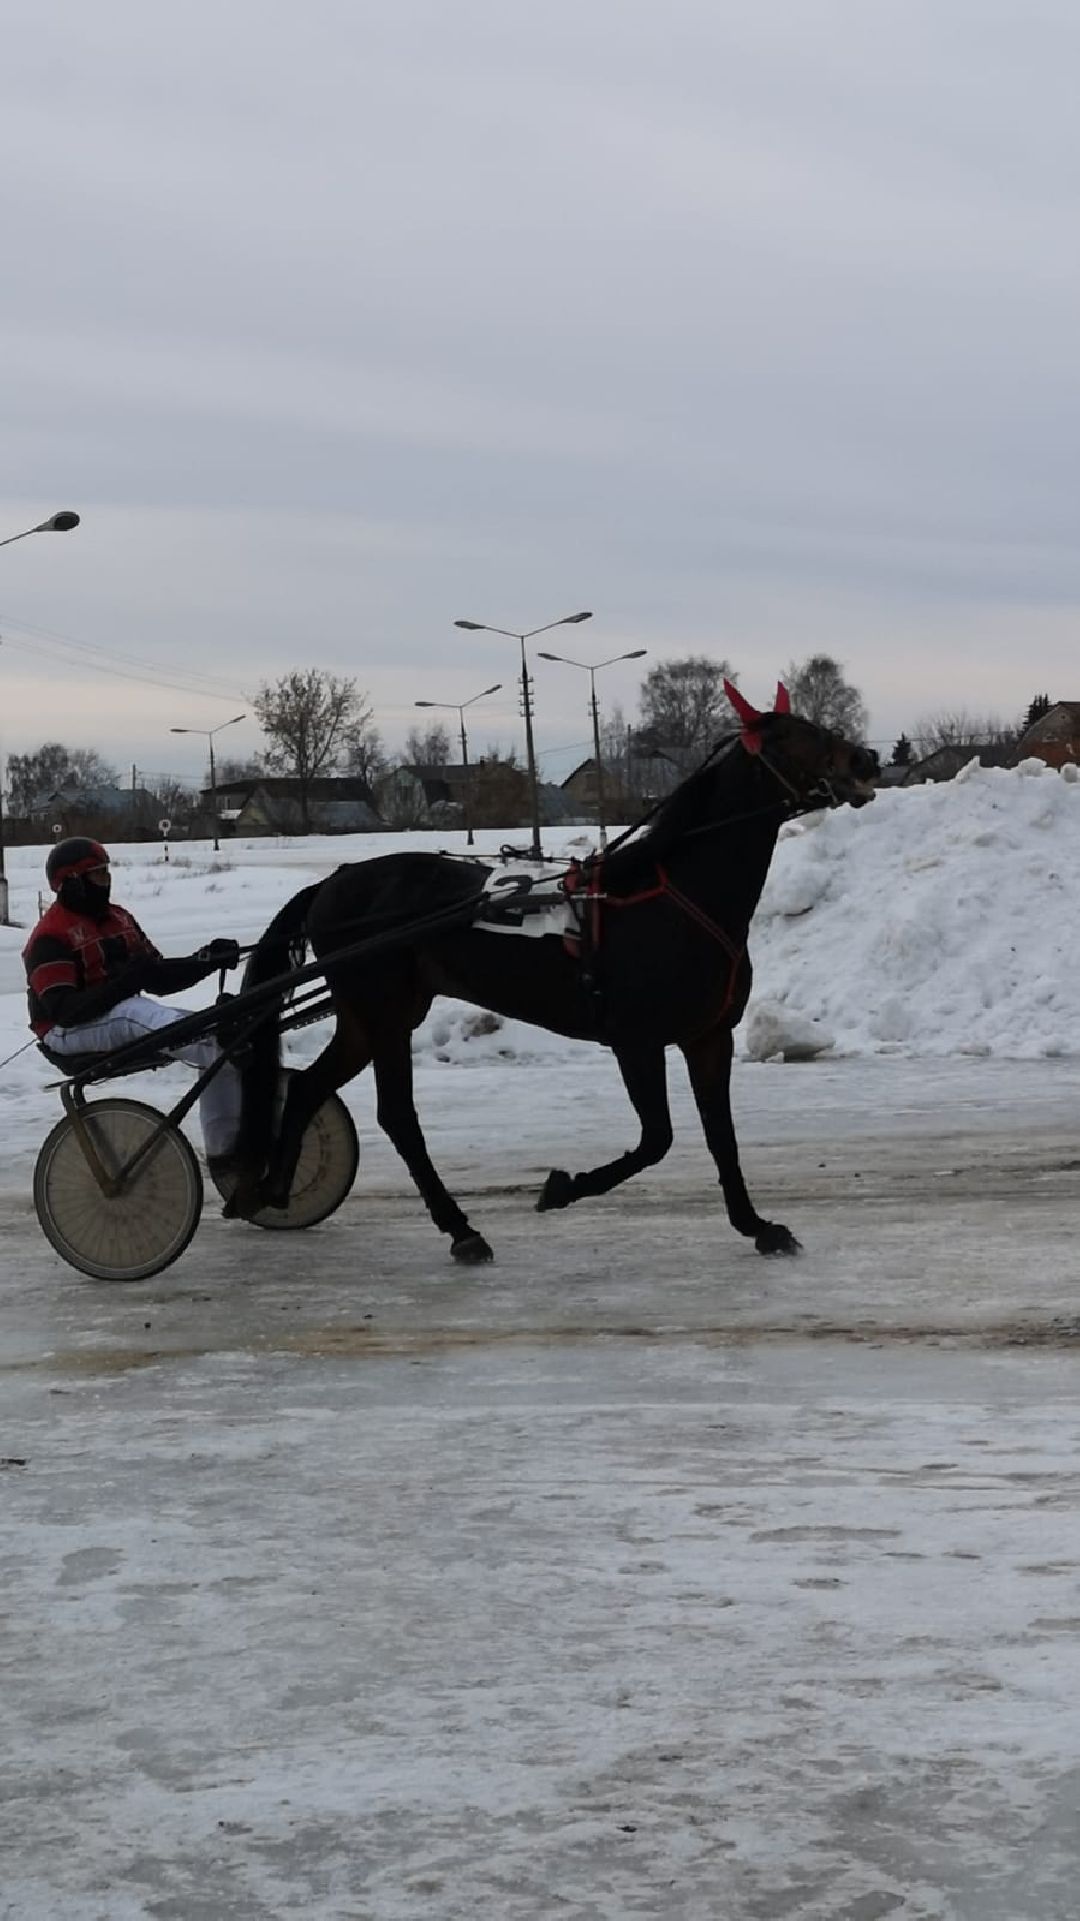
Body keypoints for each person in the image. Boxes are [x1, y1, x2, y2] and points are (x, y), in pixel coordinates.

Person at [24, 836, 243, 1168]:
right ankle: (212, 1045)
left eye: (107, 872)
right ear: (74, 883)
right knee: (136, 1013)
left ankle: (226, 1156)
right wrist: (125, 983)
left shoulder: (119, 918)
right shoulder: (49, 936)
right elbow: (64, 1011)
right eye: (98, 874)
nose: (107, 881)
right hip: (64, 1032)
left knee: (221, 1045)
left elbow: (158, 977)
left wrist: (206, 959)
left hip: (114, 1015)